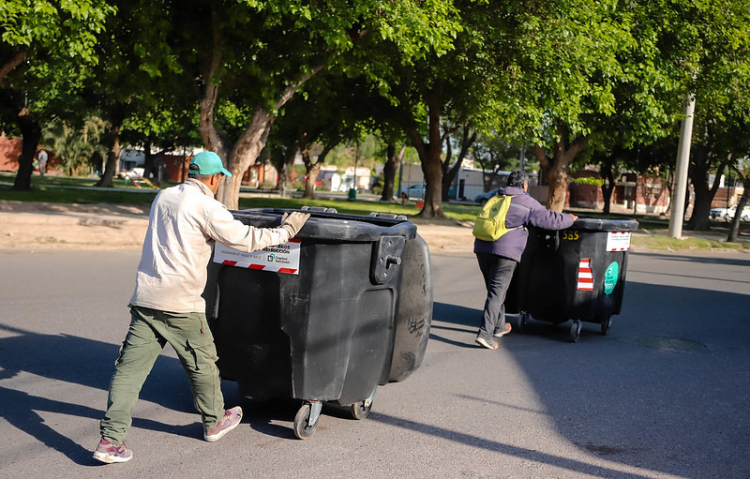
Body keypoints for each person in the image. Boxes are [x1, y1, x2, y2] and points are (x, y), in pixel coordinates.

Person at [93, 151, 310, 463]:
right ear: (214, 177)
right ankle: (215, 421)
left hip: (147, 297)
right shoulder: (207, 207)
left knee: (128, 371)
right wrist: (286, 231)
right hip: (181, 302)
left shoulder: (164, 197)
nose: (220, 182)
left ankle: (109, 440)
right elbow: (245, 239)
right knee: (203, 362)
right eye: (221, 177)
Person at [473, 171, 577, 350]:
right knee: (497, 292)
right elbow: (550, 220)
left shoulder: (497, 197)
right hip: (504, 252)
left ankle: (499, 326)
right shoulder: (526, 201)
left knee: (495, 290)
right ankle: (485, 334)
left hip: (482, 248)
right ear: (525, 185)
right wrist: (570, 218)